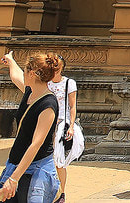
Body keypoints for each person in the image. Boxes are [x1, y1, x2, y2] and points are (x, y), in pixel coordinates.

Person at [0, 52, 62, 203]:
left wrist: (14, 178)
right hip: (16, 163)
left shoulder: (48, 104)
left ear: (32, 74)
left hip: (36, 169)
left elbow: (36, 144)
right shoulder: (30, 92)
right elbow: (16, 75)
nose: (23, 73)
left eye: (25, 70)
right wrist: (10, 60)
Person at [47, 55, 82, 203]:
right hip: (46, 123)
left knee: (58, 161)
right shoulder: (45, 83)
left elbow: (72, 106)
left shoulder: (69, 83)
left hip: (61, 124)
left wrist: (71, 126)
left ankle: (61, 192)